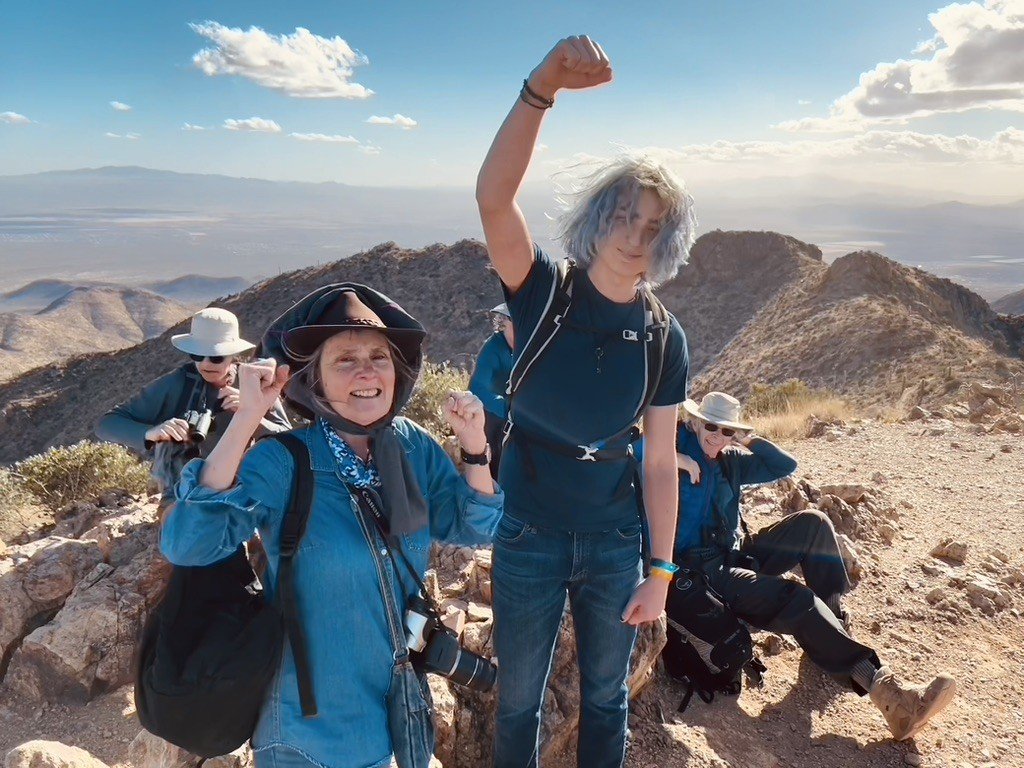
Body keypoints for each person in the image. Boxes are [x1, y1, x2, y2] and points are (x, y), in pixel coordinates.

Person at [159, 285, 503, 768]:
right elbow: (189, 543)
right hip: (310, 734)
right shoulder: (284, 462)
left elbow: (473, 527)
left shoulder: (409, 445)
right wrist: (247, 419)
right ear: (314, 381)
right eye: (344, 359)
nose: (366, 370)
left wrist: (474, 448)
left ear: (397, 373)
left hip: (398, 717)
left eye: (378, 357)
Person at [476, 36, 694, 767]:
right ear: (600, 216)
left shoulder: (663, 335)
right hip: (528, 531)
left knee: (607, 698)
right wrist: (544, 86)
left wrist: (659, 571)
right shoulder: (543, 294)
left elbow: (660, 461)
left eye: (653, 225)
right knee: (519, 701)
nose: (635, 236)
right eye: (625, 216)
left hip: (611, 541)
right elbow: (493, 198)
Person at [654, 391, 956, 741]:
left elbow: (784, 466)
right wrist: (676, 459)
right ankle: (894, 701)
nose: (717, 436)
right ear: (694, 421)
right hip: (700, 571)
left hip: (733, 553)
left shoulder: (730, 460)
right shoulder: (674, 446)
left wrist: (747, 439)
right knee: (794, 599)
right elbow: (630, 451)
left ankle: (830, 627)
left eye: (727, 430)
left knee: (812, 523)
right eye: (711, 426)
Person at [95, 308, 291, 509]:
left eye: (216, 357)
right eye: (198, 355)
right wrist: (151, 433)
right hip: (184, 495)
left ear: (233, 355)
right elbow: (106, 424)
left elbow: (288, 440)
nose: (206, 363)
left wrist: (253, 414)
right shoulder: (178, 384)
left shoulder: (253, 382)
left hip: (248, 489)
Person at [468, 303, 514, 478]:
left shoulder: (533, 348)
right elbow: (477, 388)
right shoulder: (493, 348)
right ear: (505, 324)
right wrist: (508, 408)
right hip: (495, 417)